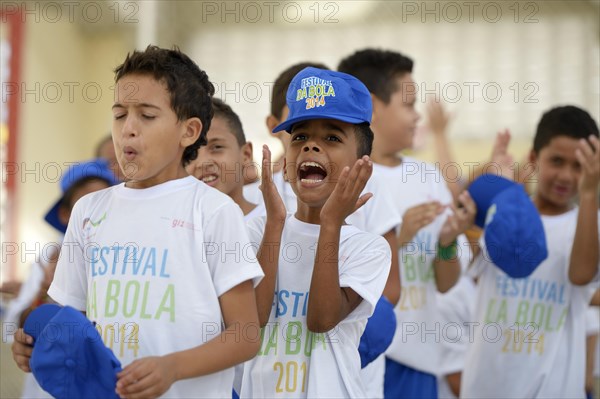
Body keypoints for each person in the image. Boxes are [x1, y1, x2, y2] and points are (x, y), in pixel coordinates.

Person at [12, 45, 264, 399]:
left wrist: (172, 367)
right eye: (119, 115)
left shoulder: (214, 211)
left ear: (189, 132)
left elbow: (245, 335)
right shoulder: (88, 212)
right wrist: (36, 341)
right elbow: (69, 315)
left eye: (146, 115)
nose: (128, 129)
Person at [240, 67, 392, 397]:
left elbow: (320, 320)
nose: (311, 147)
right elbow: (253, 321)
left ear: (362, 162)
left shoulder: (369, 248)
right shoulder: (259, 226)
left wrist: (330, 224)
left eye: (332, 138)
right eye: (299, 137)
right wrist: (275, 224)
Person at [339, 48, 476, 399]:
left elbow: (446, 284)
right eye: (409, 104)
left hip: (419, 361)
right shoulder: (344, 180)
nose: (418, 117)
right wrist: (399, 239)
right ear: (372, 105)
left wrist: (447, 240)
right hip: (362, 356)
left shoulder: (427, 178)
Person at [461, 105, 600, 398]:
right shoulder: (503, 212)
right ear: (535, 158)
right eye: (557, 161)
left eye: (578, 166)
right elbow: (461, 213)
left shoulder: (589, 224)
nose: (566, 175)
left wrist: (589, 194)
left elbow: (581, 275)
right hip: (487, 387)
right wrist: (490, 175)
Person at [3, 158, 119, 398]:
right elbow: (16, 324)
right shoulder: (51, 256)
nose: (99, 212)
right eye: (86, 203)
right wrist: (45, 293)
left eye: (106, 202)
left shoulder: (125, 254)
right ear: (66, 214)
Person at [187, 97, 264, 219]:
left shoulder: (274, 223)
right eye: (190, 152)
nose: (202, 162)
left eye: (216, 147)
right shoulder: (176, 229)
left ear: (246, 154)